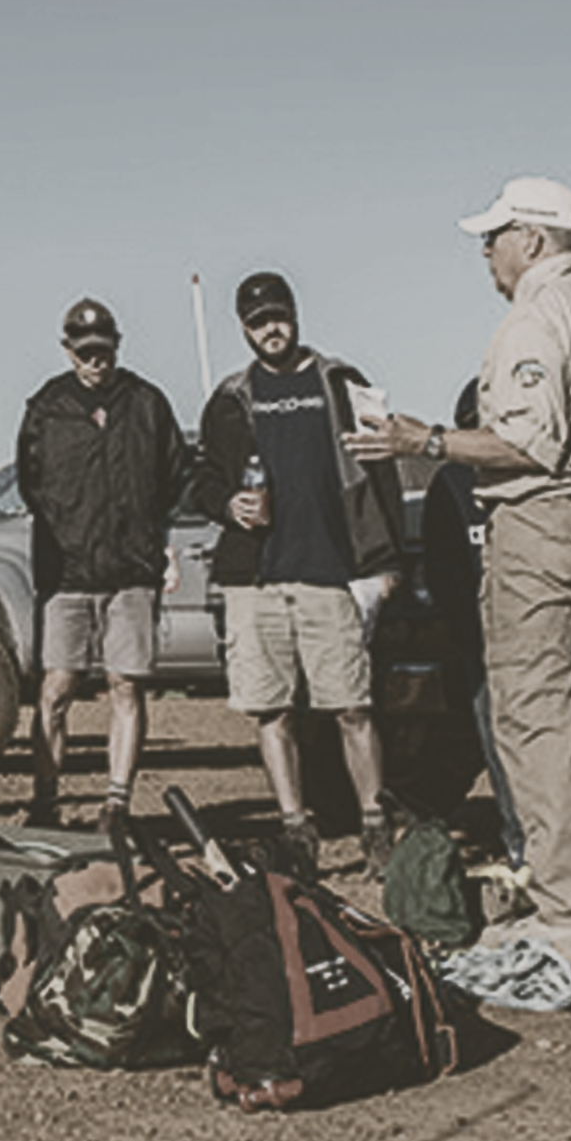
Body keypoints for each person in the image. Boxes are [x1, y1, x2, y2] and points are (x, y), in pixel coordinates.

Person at [346, 177, 571, 964]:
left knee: (537, 724)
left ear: (530, 238)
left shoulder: (537, 320)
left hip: (543, 529)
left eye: (492, 237)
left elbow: (526, 444)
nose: (485, 253)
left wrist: (423, 442)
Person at [194, 271, 403, 877]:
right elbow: (205, 479)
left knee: (353, 708)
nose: (271, 330)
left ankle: (375, 824)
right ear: (243, 328)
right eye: (258, 322)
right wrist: (228, 503)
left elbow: (382, 470)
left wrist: (384, 561)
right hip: (256, 579)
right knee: (271, 711)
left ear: (295, 314)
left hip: (330, 574)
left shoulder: (341, 382)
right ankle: (296, 829)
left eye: (279, 316)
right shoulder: (231, 397)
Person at [17, 298, 186, 831]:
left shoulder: (146, 402)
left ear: (117, 344)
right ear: (68, 351)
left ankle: (117, 801)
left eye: (103, 351)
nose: (95, 362)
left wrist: (158, 542)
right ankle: (46, 798)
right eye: (84, 353)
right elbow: (30, 482)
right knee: (56, 688)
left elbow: (175, 475)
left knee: (126, 685)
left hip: (132, 572)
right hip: (67, 574)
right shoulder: (47, 407)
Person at [421, 379, 525, 875]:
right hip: (479, 639)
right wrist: (462, 623)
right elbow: (441, 565)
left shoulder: (520, 474)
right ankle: (517, 838)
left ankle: (548, 841)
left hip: (530, 634)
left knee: (539, 742)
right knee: (496, 741)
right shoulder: (450, 484)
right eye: (471, 425)